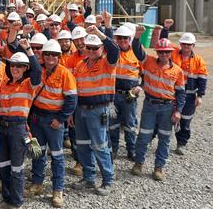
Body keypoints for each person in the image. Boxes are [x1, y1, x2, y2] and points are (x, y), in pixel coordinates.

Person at [27, 39, 76, 208]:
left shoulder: (65, 74)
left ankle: (57, 190)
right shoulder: (37, 70)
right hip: (36, 119)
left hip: (53, 120)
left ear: (59, 56)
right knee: (37, 152)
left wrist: (60, 119)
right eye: (47, 53)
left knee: (57, 156)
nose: (50, 57)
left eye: (54, 54)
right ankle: (37, 184)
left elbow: (71, 100)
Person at [70, 27, 120, 196]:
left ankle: (108, 180)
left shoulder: (107, 63)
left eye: (95, 48)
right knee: (83, 145)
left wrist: (100, 34)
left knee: (100, 146)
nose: (91, 51)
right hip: (81, 110)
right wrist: (71, 112)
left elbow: (114, 49)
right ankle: (88, 177)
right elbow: (74, 90)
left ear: (101, 49)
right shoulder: (80, 65)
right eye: (88, 48)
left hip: (98, 110)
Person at [130, 34, 185, 181]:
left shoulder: (177, 71)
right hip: (150, 106)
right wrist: (136, 37)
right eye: (161, 52)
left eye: (167, 51)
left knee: (165, 139)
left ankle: (159, 167)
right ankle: (139, 163)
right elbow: (136, 50)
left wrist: (178, 111)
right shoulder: (148, 61)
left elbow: (180, 93)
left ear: (171, 52)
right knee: (143, 136)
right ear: (157, 52)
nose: (164, 54)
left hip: (167, 109)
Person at [0, 40, 41, 209]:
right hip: (2, 127)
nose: (15, 69)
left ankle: (16, 202)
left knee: (16, 168)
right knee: (3, 166)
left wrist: (28, 49)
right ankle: (6, 199)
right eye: (13, 65)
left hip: (18, 128)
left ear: (25, 69)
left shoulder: (29, 84)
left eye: (20, 66)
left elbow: (37, 70)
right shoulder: (4, 85)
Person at [108, 24, 141, 160]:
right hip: (114, 94)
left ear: (130, 38)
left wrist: (141, 87)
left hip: (130, 95)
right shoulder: (112, 53)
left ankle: (131, 149)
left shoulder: (137, 53)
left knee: (130, 124)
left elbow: (147, 75)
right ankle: (114, 148)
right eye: (119, 38)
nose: (122, 41)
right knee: (113, 124)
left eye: (125, 38)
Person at [172, 32, 207, 155]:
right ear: (180, 44)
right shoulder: (173, 54)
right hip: (173, 93)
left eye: (189, 44)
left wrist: (200, 96)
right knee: (164, 118)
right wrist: (165, 29)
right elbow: (161, 42)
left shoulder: (199, 61)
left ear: (193, 45)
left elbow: (202, 79)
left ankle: (181, 144)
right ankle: (158, 142)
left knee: (185, 121)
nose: (186, 46)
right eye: (184, 44)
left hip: (189, 95)